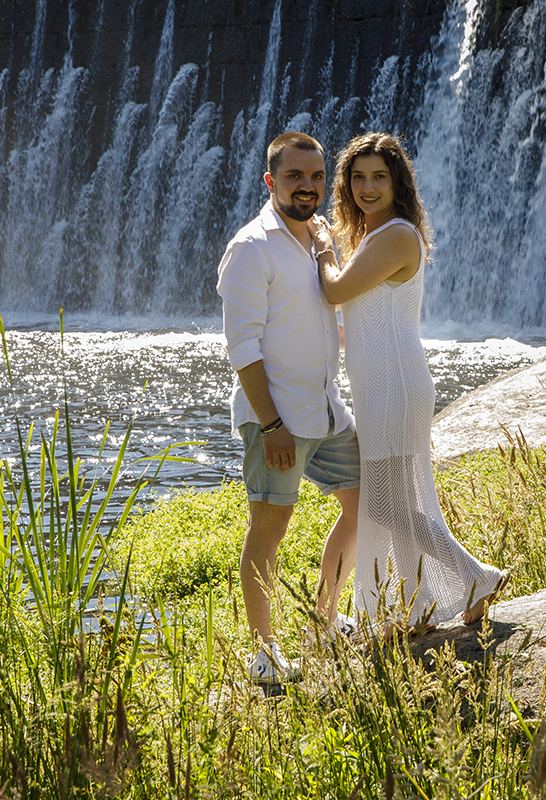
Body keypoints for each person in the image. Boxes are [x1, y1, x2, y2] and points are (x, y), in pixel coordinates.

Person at [311, 132, 507, 632]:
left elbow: (333, 287)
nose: (367, 187)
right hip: (383, 383)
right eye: (358, 177)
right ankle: (415, 606)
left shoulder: (396, 235)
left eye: (379, 176)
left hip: (394, 385)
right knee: (395, 502)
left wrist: (321, 248)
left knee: (386, 503)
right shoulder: (375, 238)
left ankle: (474, 575)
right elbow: (357, 315)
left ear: (398, 183)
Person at [216, 131, 361, 684]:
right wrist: (272, 424)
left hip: (325, 410)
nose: (309, 186)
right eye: (296, 177)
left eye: (318, 176)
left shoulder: (316, 239)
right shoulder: (251, 248)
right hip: (276, 418)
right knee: (269, 528)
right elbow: (242, 350)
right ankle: (264, 652)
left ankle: (323, 624)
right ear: (271, 181)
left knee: (363, 505)